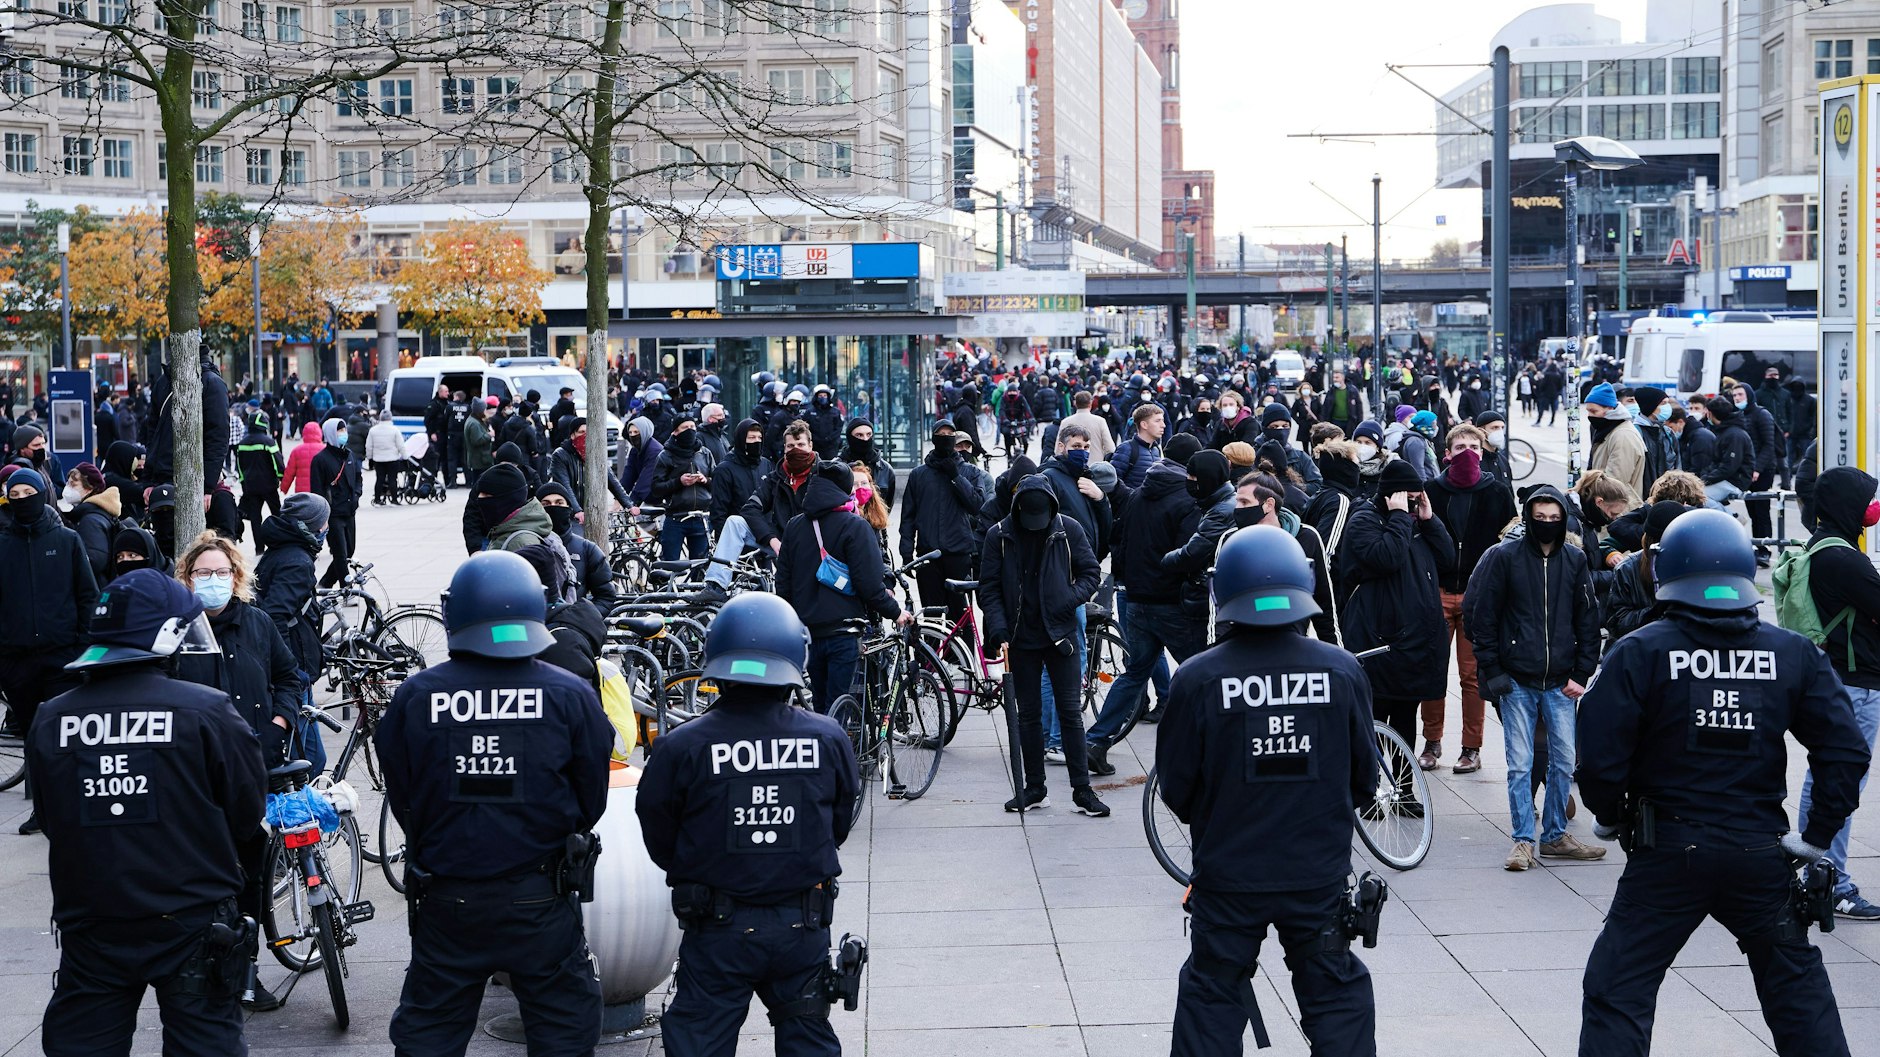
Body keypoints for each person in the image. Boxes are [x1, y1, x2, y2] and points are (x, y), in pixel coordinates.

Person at [1576, 508, 1871, 1057]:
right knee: (1795, 989)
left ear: (1667, 572)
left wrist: (1611, 813)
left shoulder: (1640, 650)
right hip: (1759, 852)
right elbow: (1846, 750)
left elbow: (1598, 752)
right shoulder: (1791, 653)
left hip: (1666, 853)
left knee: (1618, 988)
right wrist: (1816, 836)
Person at [376, 550, 612, 1057]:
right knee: (564, 1032)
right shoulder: (569, 694)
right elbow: (591, 796)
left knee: (429, 1035)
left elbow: (403, 791)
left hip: (448, 899)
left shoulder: (417, 696)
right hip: (541, 898)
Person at [1157, 527, 1379, 1057]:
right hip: (1316, 874)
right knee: (1335, 997)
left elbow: (1177, 789)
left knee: (1212, 996)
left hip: (1230, 876)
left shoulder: (1197, 678)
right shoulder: (1341, 671)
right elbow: (1364, 781)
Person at [26, 569, 267, 1057]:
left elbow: (50, 819)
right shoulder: (207, 711)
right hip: (192, 918)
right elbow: (247, 811)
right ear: (169, 635)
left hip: (93, 918)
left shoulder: (51, 717)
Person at [636, 592, 861, 1057]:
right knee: (808, 1042)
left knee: (698, 1043)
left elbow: (658, 829)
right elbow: (838, 821)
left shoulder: (682, 746)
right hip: (802, 924)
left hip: (718, 928)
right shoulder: (827, 737)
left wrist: (704, 863)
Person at [169, 531, 300, 1011]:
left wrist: (280, 721)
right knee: (205, 877)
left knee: (250, 881)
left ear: (237, 576)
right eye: (203, 572)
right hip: (196, 779)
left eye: (222, 572)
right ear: (187, 577)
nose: (213, 580)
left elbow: (289, 677)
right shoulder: (175, 630)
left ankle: (246, 972)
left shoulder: (258, 624)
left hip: (253, 770)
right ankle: (201, 971)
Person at [1465, 485, 1605, 871]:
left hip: (1561, 680)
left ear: (1563, 520)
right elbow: (1483, 617)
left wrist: (1582, 672)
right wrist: (1493, 671)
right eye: (1539, 518)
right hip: (1517, 680)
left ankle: (1555, 834)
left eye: (1553, 519)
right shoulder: (1505, 557)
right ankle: (1524, 839)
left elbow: (1588, 618)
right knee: (1520, 764)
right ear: (1528, 518)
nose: (1546, 524)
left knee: (1563, 763)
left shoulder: (1574, 560)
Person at [979, 476, 1109, 817]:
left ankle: (1083, 791)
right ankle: (1035, 787)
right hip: (1021, 637)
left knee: (1070, 713)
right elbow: (989, 588)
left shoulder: (1068, 529)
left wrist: (1069, 599)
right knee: (1028, 716)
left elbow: (1090, 574)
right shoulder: (999, 536)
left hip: (1060, 635)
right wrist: (999, 629)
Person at [1789, 467, 1880, 920]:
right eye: (1867, 500)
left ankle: (1813, 870)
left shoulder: (1821, 546)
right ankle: (1830, 881)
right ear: (1848, 504)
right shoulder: (1844, 559)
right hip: (1856, 683)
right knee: (1840, 782)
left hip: (1834, 676)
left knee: (1825, 776)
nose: (1873, 509)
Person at [1085, 442, 1208, 774]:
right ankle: (1209, 744)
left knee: (1134, 673)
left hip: (1137, 599)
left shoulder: (1139, 494)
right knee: (1205, 671)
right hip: (1170, 602)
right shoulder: (1188, 500)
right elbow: (1188, 555)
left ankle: (1094, 742)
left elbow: (1120, 543)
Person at [1339, 458, 1453, 815]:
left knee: (1405, 717)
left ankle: (1404, 792)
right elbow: (1386, 557)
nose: (1414, 499)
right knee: (1373, 719)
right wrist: (1400, 517)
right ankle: (1370, 793)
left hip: (1414, 640)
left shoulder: (1416, 521)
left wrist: (1429, 520)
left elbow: (1449, 559)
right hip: (1378, 639)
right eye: (1409, 494)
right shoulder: (1363, 520)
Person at [0, 467, 99, 834]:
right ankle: (41, 809)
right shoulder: (3, 545)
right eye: (16, 493)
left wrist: (84, 649)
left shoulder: (67, 540)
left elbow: (87, 597)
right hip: (17, 662)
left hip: (63, 658)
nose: (23, 499)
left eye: (30, 491)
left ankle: (72, 806)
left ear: (43, 493)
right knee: (34, 738)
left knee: (66, 736)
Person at [777, 461, 911, 714]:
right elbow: (870, 586)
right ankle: (839, 751)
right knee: (839, 706)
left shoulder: (795, 525)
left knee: (820, 704)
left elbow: (783, 582)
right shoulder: (855, 525)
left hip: (808, 632)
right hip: (844, 630)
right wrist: (896, 612)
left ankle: (823, 749)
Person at [1419, 423, 1515, 774]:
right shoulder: (1431, 489)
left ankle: (1471, 748)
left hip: (1479, 596)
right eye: (1460, 448)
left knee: (1473, 677)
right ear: (1447, 453)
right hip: (1439, 592)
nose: (1468, 453)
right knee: (1432, 671)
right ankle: (1431, 741)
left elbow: (1509, 543)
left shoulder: (1498, 492)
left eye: (1474, 447)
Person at [254, 492, 327, 772]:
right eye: (323, 524)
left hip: (294, 667)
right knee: (304, 760)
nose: (325, 529)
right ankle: (298, 811)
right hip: (294, 671)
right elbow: (275, 614)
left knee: (313, 757)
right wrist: (290, 668)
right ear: (311, 525)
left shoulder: (282, 549)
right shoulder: (298, 561)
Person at [897, 423, 985, 622]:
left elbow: (977, 505)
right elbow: (908, 517)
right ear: (933, 438)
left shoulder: (970, 471)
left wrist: (955, 476)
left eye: (949, 434)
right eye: (941, 434)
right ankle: (931, 652)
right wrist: (906, 552)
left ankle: (961, 654)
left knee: (960, 615)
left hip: (959, 552)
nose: (945, 438)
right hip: (928, 553)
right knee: (931, 614)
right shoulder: (919, 474)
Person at [535, 483, 618, 607]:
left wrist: (582, 620)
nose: (553, 508)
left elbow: (605, 596)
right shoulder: (529, 543)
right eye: (545, 504)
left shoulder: (587, 549)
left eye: (559, 503)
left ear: (568, 507)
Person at [650, 416, 717, 562]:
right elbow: (656, 488)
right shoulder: (665, 455)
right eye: (685, 428)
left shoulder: (704, 453)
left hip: (701, 517)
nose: (690, 431)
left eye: (693, 427)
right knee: (670, 564)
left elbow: (718, 483)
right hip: (676, 518)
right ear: (675, 432)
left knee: (700, 566)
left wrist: (705, 480)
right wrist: (679, 482)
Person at [308, 417, 362, 588]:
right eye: (339, 431)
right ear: (331, 433)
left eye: (344, 430)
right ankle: (346, 588)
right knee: (340, 552)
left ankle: (325, 582)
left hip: (349, 510)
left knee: (349, 550)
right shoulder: (320, 459)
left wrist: (357, 494)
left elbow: (358, 477)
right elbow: (316, 490)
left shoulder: (349, 455)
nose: (343, 434)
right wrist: (321, 517)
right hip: (333, 514)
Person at [1735, 381, 1781, 567]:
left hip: (1763, 470)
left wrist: (1757, 468)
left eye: (1740, 395)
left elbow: (1769, 445)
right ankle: (1757, 546)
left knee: (1762, 511)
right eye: (1735, 396)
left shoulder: (1762, 414)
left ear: (1749, 395)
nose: (1737, 398)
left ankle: (1765, 549)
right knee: (1753, 511)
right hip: (1748, 471)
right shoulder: (1740, 415)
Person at [60, 462, 121, 581]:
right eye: (67, 483)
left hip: (96, 588)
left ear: (89, 488)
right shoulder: (92, 513)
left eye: (73, 484)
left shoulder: (90, 520)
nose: (67, 488)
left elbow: (94, 561)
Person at [235, 412, 283, 542]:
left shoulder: (242, 443)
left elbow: (240, 467)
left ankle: (259, 548)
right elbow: (278, 463)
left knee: (255, 518)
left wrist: (244, 483)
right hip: (269, 486)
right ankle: (280, 542)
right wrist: (281, 478)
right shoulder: (268, 442)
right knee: (278, 515)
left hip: (251, 487)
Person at [838, 418, 894, 509]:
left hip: (875, 521)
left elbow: (888, 504)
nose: (865, 439)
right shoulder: (837, 467)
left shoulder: (885, 469)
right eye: (859, 435)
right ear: (850, 437)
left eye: (869, 434)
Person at [1112, 403, 1164, 491]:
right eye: (1157, 421)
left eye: (1163, 420)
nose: (1163, 425)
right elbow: (1113, 482)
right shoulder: (1127, 448)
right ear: (1144, 425)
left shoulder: (1156, 450)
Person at [366, 407, 408, 505]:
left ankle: (377, 499)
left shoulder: (373, 430)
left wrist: (370, 458)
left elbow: (369, 446)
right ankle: (394, 499)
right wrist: (405, 457)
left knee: (379, 479)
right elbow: (401, 446)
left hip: (378, 459)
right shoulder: (395, 430)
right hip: (392, 458)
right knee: (392, 479)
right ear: (390, 418)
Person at [463, 399, 495, 493]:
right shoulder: (474, 424)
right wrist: (489, 435)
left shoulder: (475, 421)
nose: (486, 411)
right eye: (484, 409)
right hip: (480, 460)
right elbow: (476, 440)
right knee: (479, 483)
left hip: (480, 458)